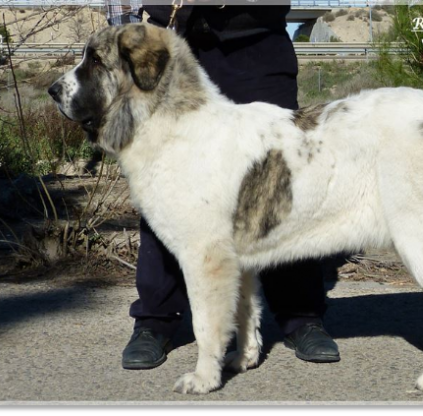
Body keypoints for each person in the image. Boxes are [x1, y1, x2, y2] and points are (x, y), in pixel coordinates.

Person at [105, 1, 341, 370]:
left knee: (283, 177)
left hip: (257, 41)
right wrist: (122, 33)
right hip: (172, 42)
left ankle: (301, 315)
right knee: (165, 181)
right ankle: (156, 319)